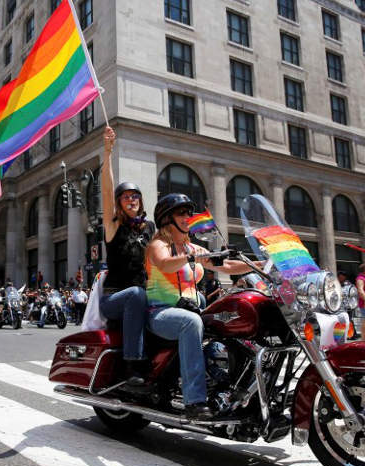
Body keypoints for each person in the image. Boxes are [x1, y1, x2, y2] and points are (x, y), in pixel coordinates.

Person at [146, 193, 261, 420]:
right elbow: (164, 264)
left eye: (189, 212)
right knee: (191, 322)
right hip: (159, 312)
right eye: (181, 213)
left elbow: (226, 265)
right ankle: (194, 401)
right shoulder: (158, 245)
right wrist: (191, 258)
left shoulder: (192, 248)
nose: (188, 217)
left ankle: (229, 381)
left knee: (230, 318)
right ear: (167, 219)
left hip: (190, 309)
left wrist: (259, 265)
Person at [97, 127, 156, 385]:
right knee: (135, 294)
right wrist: (108, 152)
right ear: (119, 203)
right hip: (114, 298)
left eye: (135, 196)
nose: (131, 200)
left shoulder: (150, 228)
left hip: (144, 293)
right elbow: (107, 191)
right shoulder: (113, 226)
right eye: (125, 197)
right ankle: (133, 364)